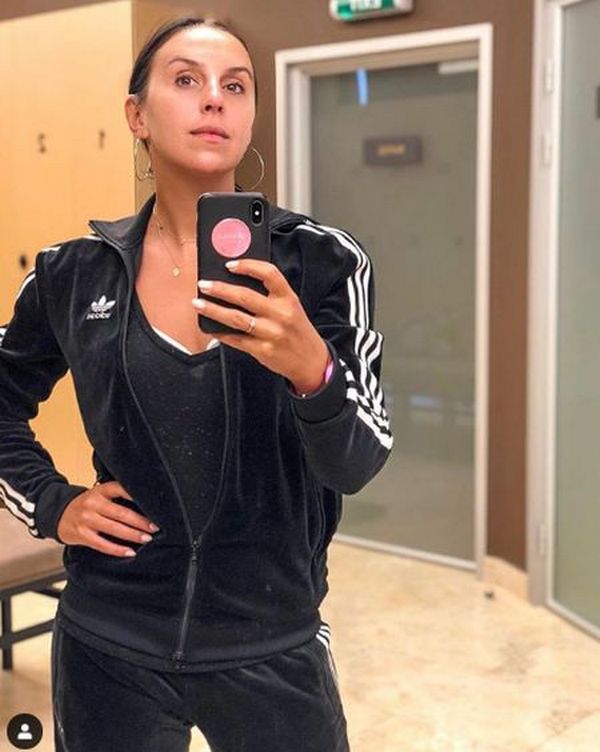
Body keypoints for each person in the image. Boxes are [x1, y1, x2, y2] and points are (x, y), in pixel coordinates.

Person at [0, 15, 394, 752]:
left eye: (235, 86)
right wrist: (52, 504)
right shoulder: (70, 273)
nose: (214, 98)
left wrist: (312, 369)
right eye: (186, 79)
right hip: (107, 641)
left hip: (272, 641)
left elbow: (357, 463)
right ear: (137, 115)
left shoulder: (323, 264)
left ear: (250, 116)